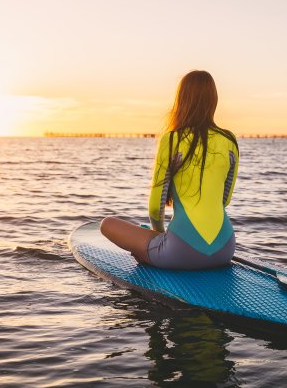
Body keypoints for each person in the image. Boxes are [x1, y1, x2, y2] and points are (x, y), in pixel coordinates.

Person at [100, 70, 239, 269]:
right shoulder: (230, 141)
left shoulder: (172, 140)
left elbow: (156, 208)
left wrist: (159, 233)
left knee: (107, 224)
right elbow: (224, 200)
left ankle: (154, 253)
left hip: (181, 253)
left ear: (181, 100)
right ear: (213, 100)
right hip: (225, 250)